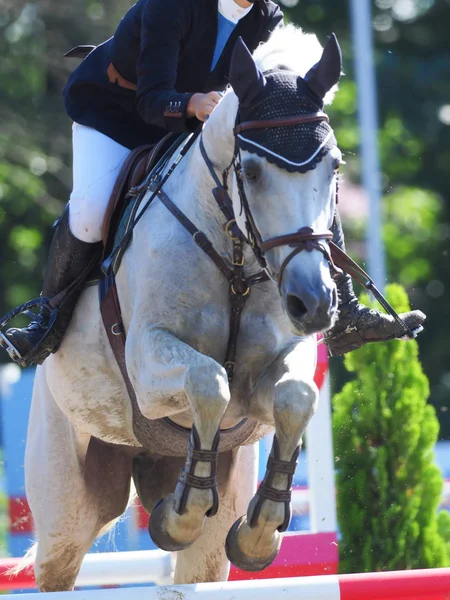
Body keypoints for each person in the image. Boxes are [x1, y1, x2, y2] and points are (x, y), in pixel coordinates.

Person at [3, 0, 424, 366]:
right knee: (94, 211)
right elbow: (151, 98)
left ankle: (345, 313)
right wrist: (193, 103)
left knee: (300, 173)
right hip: (117, 114)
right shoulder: (173, 5)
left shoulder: (265, 16)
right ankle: (48, 323)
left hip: (192, 124)